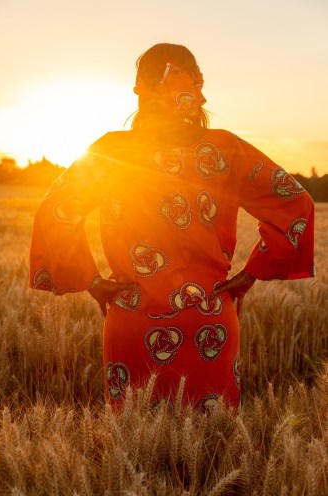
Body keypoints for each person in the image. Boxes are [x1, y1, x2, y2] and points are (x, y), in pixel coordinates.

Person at [30, 43, 314, 411]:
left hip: (131, 318)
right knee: (212, 450)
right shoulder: (226, 149)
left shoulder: (111, 151)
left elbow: (56, 212)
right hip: (210, 319)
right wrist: (252, 273)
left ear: (139, 88)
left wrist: (91, 280)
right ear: (196, 87)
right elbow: (295, 202)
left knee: (133, 451)